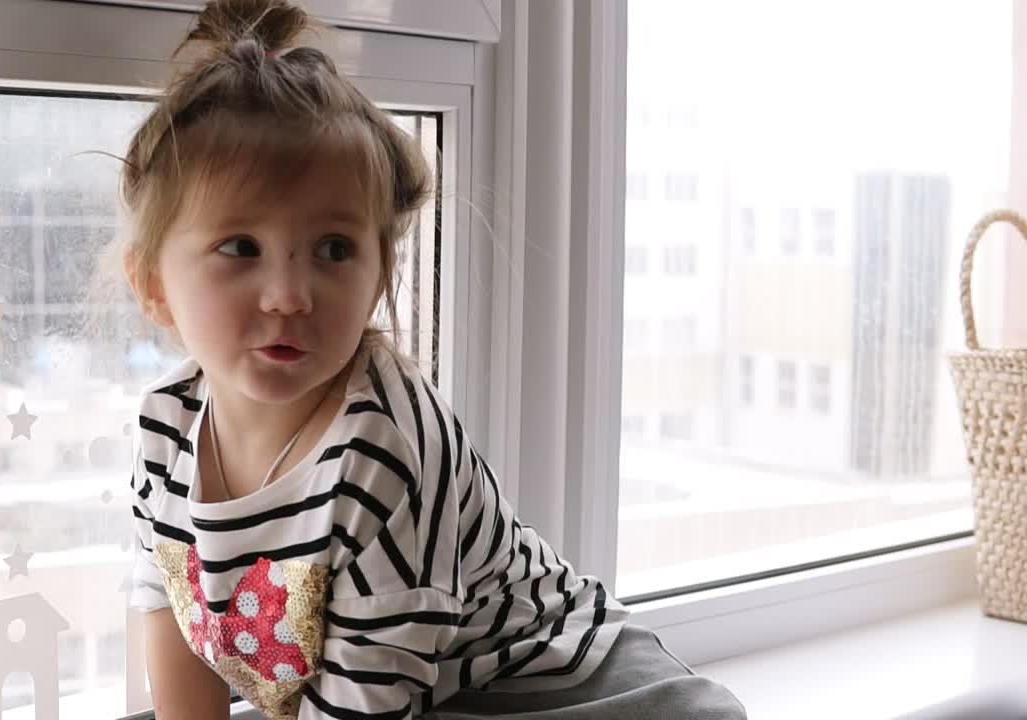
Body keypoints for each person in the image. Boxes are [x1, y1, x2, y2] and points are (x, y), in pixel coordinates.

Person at [119, 1, 747, 718]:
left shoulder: (378, 449)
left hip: (547, 684)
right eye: (240, 248)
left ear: (380, 274)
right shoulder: (164, 426)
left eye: (334, 249)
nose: (290, 295)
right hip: (401, 684)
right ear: (153, 285)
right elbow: (167, 606)